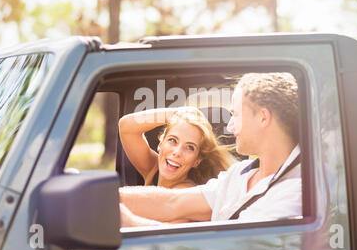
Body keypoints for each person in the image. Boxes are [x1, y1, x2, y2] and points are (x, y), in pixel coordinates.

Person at [119, 72, 301, 226]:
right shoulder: (239, 174)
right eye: (173, 141)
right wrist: (106, 199)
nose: (229, 127)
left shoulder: (295, 192)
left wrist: (131, 222)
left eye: (235, 115)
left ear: (262, 117)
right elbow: (172, 203)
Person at [118, 107, 234, 189]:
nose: (177, 152)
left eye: (190, 147)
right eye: (172, 140)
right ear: (161, 144)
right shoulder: (153, 169)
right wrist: (179, 113)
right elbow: (126, 126)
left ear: (197, 161)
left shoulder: (186, 193)